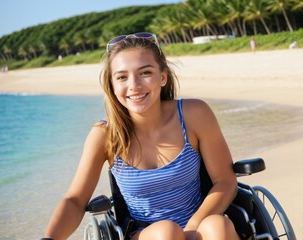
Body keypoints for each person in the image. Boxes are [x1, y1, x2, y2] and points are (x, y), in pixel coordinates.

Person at [43, 32, 239, 240]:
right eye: (122, 77)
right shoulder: (105, 135)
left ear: (162, 77)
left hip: (198, 224)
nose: (134, 85)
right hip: (146, 234)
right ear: (112, 85)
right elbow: (75, 199)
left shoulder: (194, 114)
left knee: (217, 226)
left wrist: (192, 227)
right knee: (167, 233)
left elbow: (225, 181)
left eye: (145, 73)